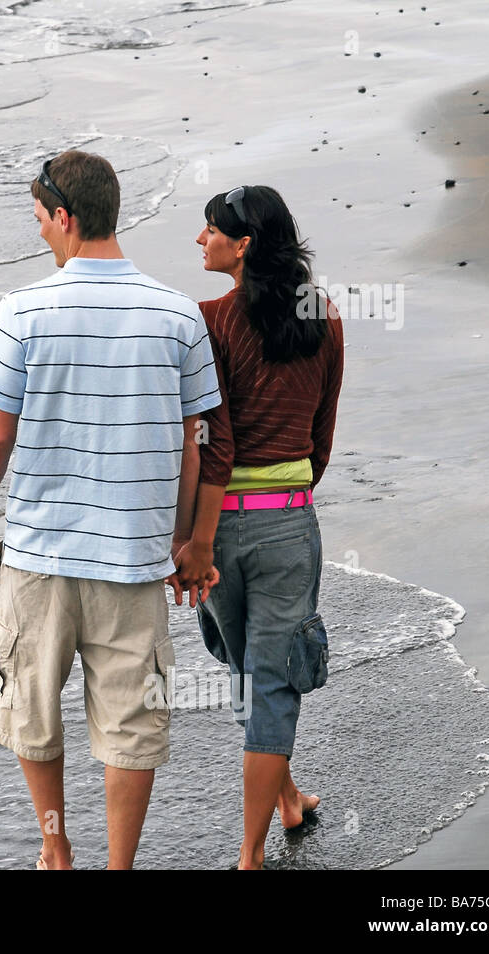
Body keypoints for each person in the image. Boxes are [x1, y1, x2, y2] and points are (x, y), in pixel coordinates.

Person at [0, 150, 221, 869]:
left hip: (42, 557)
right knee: (132, 723)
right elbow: (192, 444)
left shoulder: (21, 310)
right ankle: (119, 867)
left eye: (42, 219)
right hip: (134, 562)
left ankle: (56, 849)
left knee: (31, 709)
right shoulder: (178, 316)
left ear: (67, 218)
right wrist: (182, 541)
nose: (40, 231)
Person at [183, 184, 344, 870]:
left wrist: (192, 538)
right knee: (267, 676)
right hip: (288, 524)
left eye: (211, 229)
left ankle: (249, 858)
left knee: (252, 677)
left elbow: (205, 443)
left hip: (218, 528)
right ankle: (285, 803)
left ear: (243, 244)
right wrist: (290, 497)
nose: (200, 239)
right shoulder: (324, 317)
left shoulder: (208, 321)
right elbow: (321, 437)